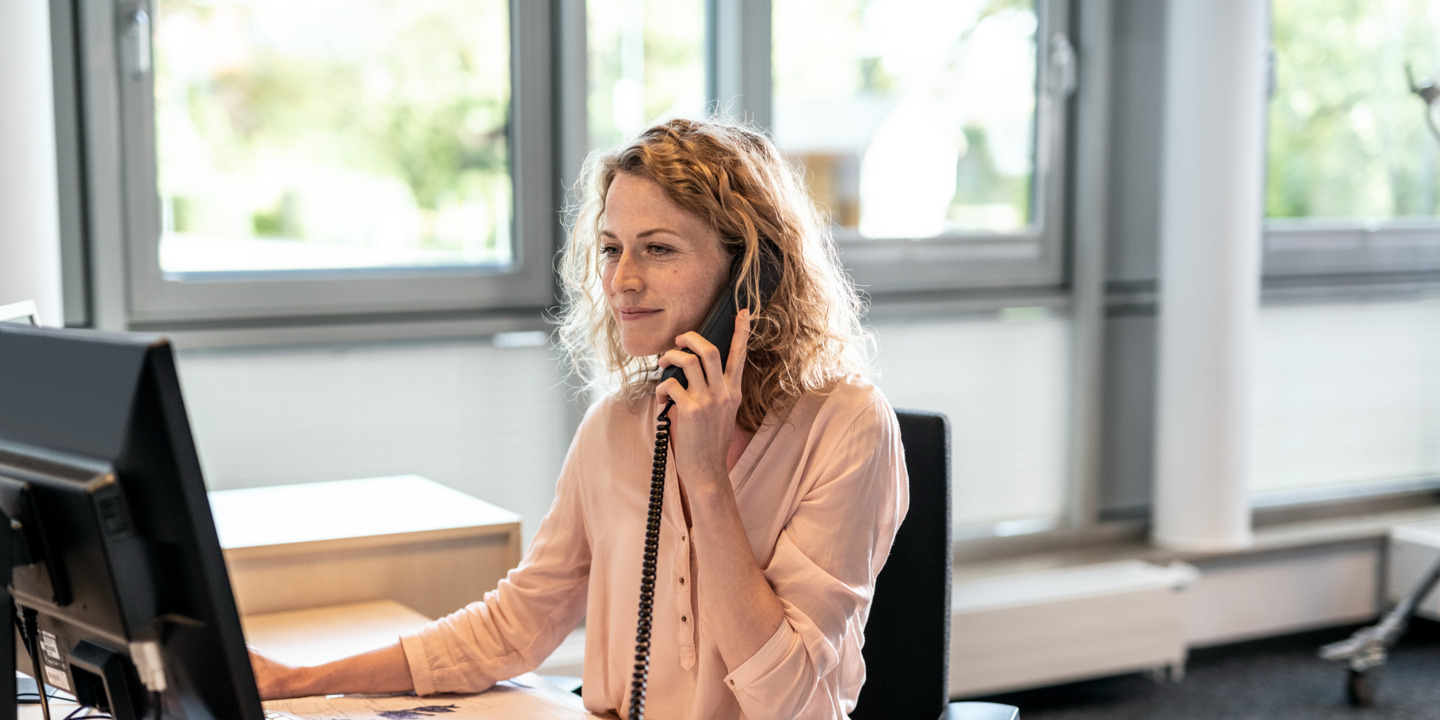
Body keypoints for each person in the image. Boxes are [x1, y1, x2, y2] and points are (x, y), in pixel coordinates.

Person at [249, 117, 908, 720]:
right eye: (611, 248)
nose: (622, 279)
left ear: (749, 272)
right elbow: (515, 625)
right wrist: (296, 680)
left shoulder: (847, 425)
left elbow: (792, 702)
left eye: (658, 249)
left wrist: (705, 478)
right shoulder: (617, 425)